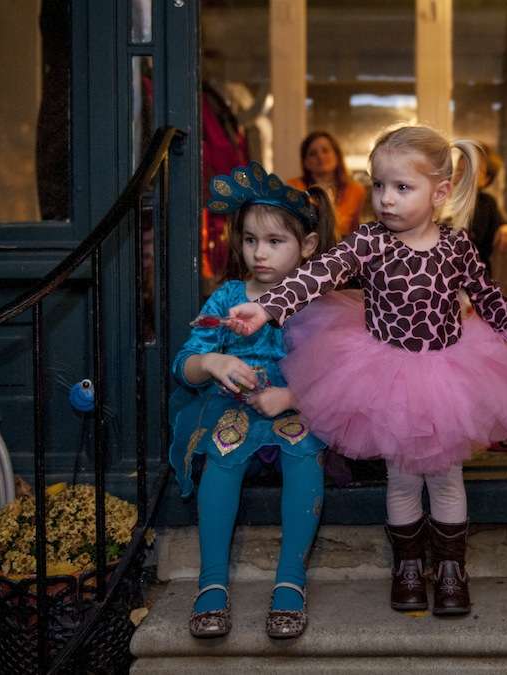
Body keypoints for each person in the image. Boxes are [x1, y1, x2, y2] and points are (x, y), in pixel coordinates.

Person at [227, 125, 507, 616]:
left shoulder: (456, 246)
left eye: (402, 187)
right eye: (378, 185)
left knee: (445, 478)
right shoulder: (368, 243)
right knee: (401, 479)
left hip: (448, 374)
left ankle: (450, 569)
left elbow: (488, 295)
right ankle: (408, 567)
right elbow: (317, 275)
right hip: (386, 375)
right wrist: (268, 308)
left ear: (439, 192)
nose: (386, 199)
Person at [169, 161, 335, 640]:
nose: (258, 254)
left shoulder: (313, 301)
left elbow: (336, 375)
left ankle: (290, 581)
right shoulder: (225, 299)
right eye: (249, 240)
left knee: (305, 459)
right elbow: (184, 362)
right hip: (233, 410)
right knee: (221, 459)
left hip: (293, 408)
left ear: (305, 247)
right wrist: (215, 364)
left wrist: (290, 394)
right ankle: (212, 582)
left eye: (274, 242)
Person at [287, 131, 367, 240]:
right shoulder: (293, 187)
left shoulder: (356, 190)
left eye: (325, 150)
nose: (320, 156)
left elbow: (356, 231)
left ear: (337, 155)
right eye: (313, 153)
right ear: (305, 162)